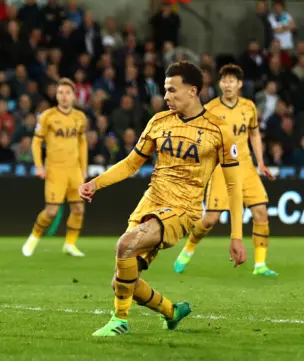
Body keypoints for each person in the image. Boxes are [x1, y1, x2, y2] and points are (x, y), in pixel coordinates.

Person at [79, 61, 246, 336]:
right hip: (150, 202)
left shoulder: (219, 130)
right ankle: (172, 311)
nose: (166, 96)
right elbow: (132, 163)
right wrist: (96, 183)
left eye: (172, 90)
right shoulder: (158, 121)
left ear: (192, 91)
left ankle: (119, 320)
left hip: (182, 209)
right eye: (165, 90)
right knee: (122, 281)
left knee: (124, 245)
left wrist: (236, 236)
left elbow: (233, 187)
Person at [174, 64, 277, 276]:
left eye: (231, 81)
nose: (227, 85)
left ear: (239, 84)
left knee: (261, 213)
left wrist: (261, 162)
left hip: (246, 167)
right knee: (210, 219)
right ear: (220, 84)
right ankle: (189, 248)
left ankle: (260, 265)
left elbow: (255, 134)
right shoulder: (211, 108)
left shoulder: (249, 107)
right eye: (224, 81)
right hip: (222, 168)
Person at [22, 78, 88, 257]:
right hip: (55, 170)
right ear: (56, 95)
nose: (64, 96)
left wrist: (84, 168)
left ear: (74, 96)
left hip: (74, 170)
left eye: (67, 93)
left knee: (78, 209)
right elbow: (36, 142)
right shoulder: (47, 116)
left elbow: (82, 143)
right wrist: (38, 166)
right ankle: (33, 238)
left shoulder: (80, 117)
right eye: (60, 93)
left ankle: (70, 244)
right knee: (51, 211)